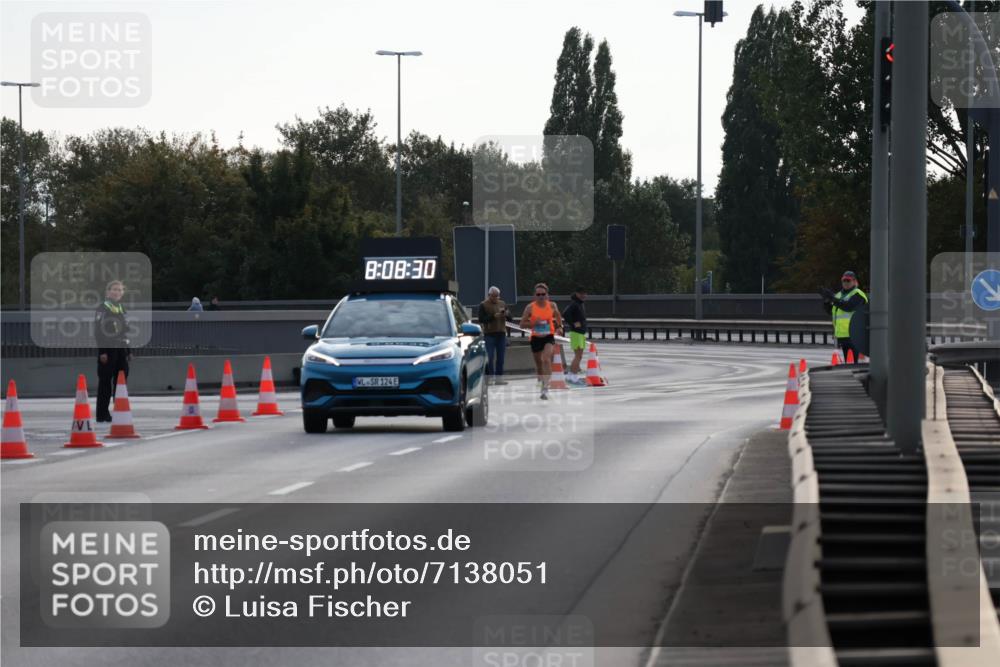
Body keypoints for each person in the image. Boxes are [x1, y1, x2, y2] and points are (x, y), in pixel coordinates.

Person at [519, 282, 563, 399]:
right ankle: (541, 380)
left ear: (547, 295)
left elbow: (558, 317)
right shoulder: (530, 307)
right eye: (538, 294)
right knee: (539, 364)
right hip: (535, 338)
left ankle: (545, 387)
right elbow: (522, 324)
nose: (541, 296)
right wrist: (534, 323)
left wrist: (560, 327)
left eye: (543, 294)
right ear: (535, 295)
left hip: (548, 337)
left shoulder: (552, 305)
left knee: (546, 359)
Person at [95, 280, 130, 422]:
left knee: (121, 380)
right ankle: (102, 414)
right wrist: (102, 351)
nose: (117, 292)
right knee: (105, 382)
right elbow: (98, 330)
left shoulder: (121, 308)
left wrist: (129, 351)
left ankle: (119, 410)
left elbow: (125, 332)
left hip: (121, 348)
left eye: (120, 290)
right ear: (108, 292)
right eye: (114, 289)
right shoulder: (103, 308)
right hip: (108, 350)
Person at [820, 270, 868, 364]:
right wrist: (826, 302)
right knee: (848, 362)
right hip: (842, 335)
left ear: (854, 281)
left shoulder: (858, 294)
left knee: (854, 362)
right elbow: (832, 311)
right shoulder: (839, 295)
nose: (846, 283)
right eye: (844, 280)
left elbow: (848, 307)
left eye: (848, 281)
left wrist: (832, 298)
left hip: (855, 334)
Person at [477, 286, 509, 384]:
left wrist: (506, 314)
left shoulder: (502, 303)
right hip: (489, 334)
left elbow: (510, 317)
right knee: (489, 357)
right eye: (493, 296)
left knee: (501, 357)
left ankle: (499, 378)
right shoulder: (483, 305)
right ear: (489, 295)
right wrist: (493, 317)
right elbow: (481, 319)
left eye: (497, 296)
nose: (495, 298)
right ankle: (490, 377)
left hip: (501, 333)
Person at [562, 287, 588, 385]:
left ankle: (571, 376)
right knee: (578, 356)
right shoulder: (574, 304)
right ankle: (572, 376)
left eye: (585, 293)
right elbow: (565, 314)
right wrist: (573, 323)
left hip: (580, 333)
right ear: (577, 294)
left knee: (579, 356)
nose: (584, 295)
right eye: (581, 293)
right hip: (576, 333)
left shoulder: (580, 303)